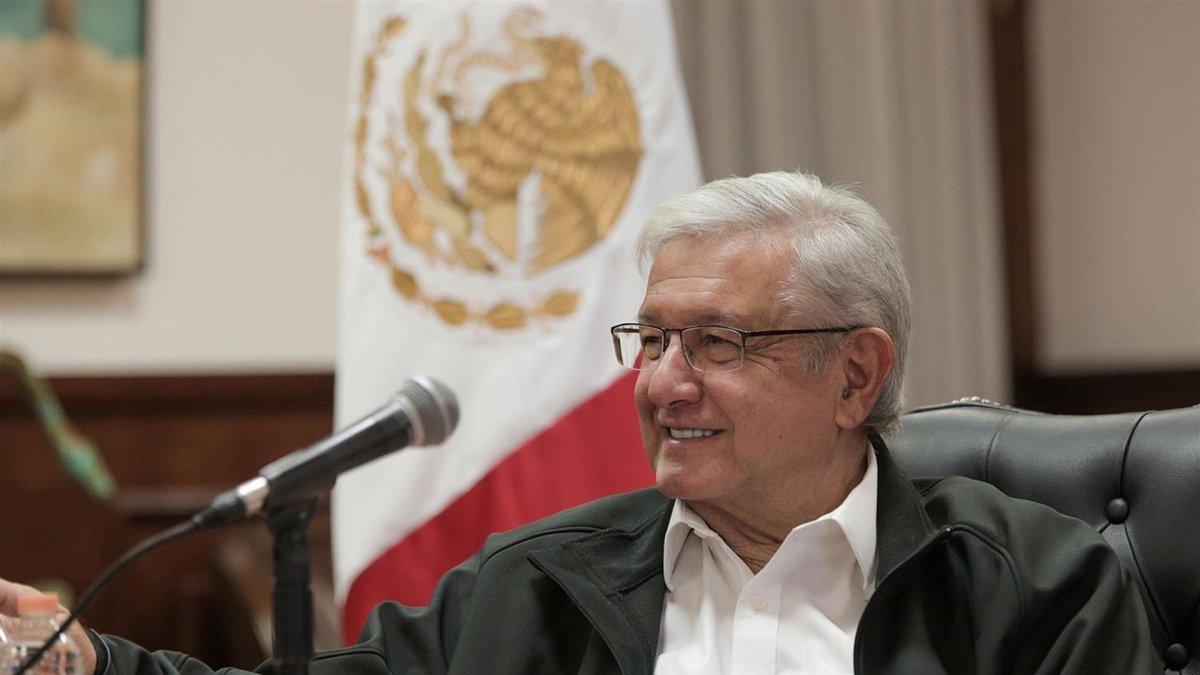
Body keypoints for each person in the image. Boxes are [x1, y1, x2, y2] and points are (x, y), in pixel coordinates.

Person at [1, 172, 1159, 674]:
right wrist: (93, 660)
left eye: (717, 343)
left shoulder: (1034, 586)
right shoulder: (540, 584)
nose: (664, 383)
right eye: (651, 340)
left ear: (857, 376)